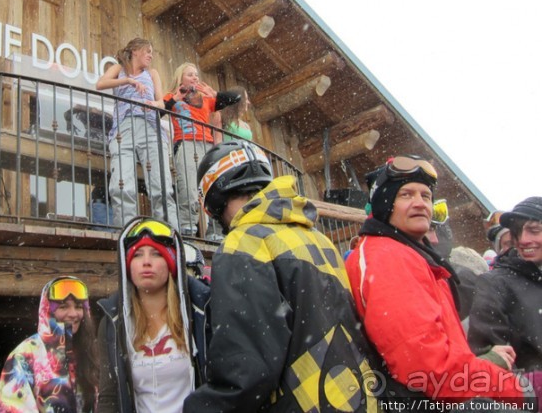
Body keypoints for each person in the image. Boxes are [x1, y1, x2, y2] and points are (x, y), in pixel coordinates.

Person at [184, 140, 377, 412]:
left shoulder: (244, 243)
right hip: (357, 397)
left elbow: (247, 371)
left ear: (213, 199)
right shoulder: (319, 239)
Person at [345, 155, 529, 406]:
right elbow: (429, 368)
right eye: (406, 195)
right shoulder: (388, 258)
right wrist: (521, 390)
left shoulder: (413, 255)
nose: (420, 203)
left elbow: (443, 358)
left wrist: (485, 365)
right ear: (385, 203)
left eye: (426, 196)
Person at [97, 217, 210, 413]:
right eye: (138, 255)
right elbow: (109, 395)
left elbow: (220, 381)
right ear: (128, 266)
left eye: (157, 254)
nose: (146, 262)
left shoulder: (200, 311)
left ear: (171, 264)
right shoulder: (113, 321)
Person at [97, 38, 178, 228]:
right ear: (135, 51)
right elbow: (100, 84)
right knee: (122, 185)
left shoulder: (152, 73)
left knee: (161, 187)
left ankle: (168, 233)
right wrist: (128, 81)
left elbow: (161, 102)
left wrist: (153, 104)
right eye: (147, 51)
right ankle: (127, 231)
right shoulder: (119, 69)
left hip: (150, 127)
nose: (150, 55)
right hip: (123, 128)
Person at [0, 276, 98, 413]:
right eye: (63, 306)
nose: (73, 314)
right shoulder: (24, 355)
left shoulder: (93, 353)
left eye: (79, 307)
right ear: (47, 310)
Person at [163, 63, 240, 236]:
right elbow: (160, 110)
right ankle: (187, 228)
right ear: (180, 77)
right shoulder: (173, 96)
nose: (195, 78)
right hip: (186, 143)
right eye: (190, 75)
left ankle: (215, 232)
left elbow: (236, 97)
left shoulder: (206, 98)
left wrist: (216, 94)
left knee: (213, 188)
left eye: (196, 75)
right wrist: (176, 98)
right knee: (189, 188)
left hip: (207, 146)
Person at [468, 197, 542, 374]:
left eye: (534, 230)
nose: (523, 240)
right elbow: (489, 363)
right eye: (516, 232)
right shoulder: (494, 284)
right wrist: (532, 390)